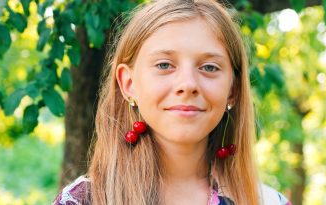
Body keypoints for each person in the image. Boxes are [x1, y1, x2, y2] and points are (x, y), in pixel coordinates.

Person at [53, 0, 292, 204]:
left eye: (209, 67)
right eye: (164, 65)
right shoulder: (84, 200)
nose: (187, 84)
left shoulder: (267, 201)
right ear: (128, 84)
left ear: (233, 90)